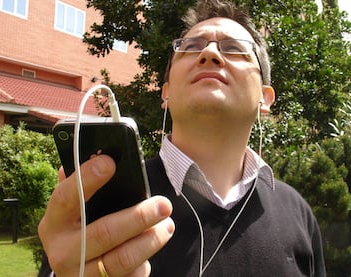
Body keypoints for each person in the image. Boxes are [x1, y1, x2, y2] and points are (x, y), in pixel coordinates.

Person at [38, 0, 326, 276]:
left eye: (234, 49)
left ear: (265, 98)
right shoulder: (106, 201)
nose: (209, 54)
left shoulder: (298, 212)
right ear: (166, 93)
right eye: (190, 47)